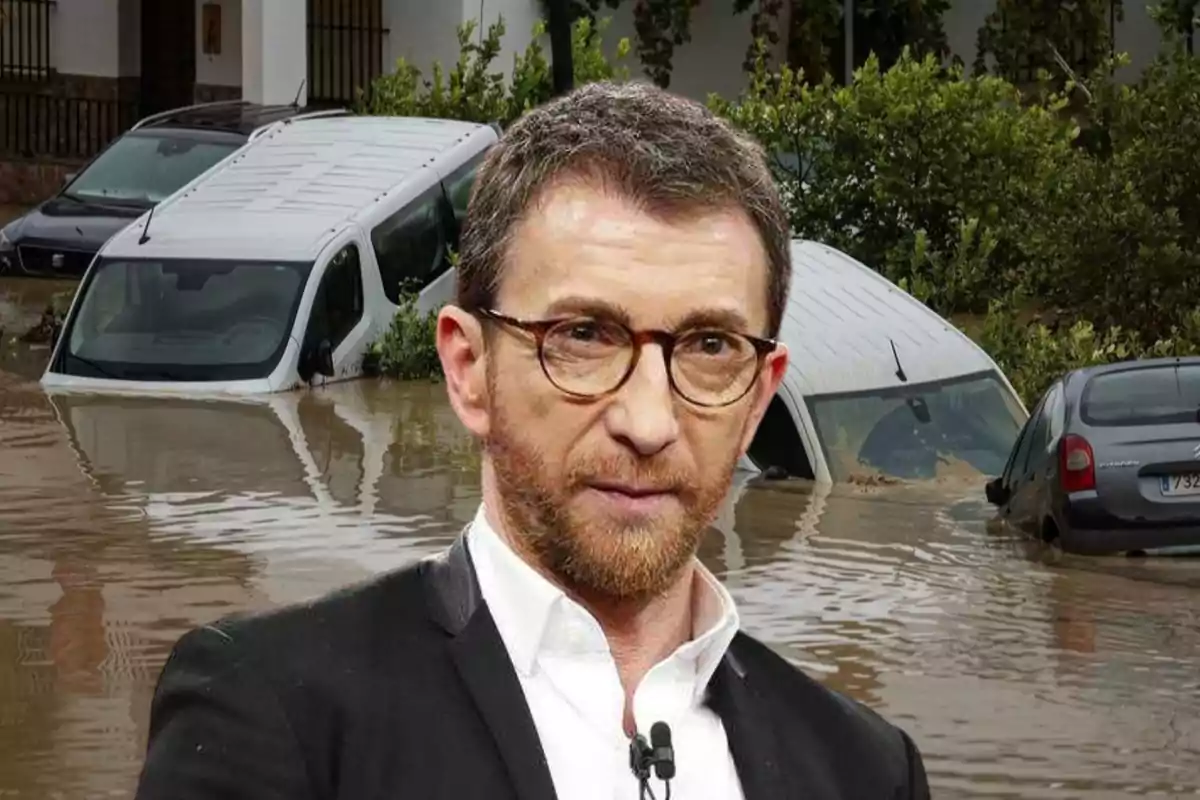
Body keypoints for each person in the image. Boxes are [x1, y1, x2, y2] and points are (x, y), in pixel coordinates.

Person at [133, 80, 931, 800]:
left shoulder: (866, 769)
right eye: (583, 334)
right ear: (469, 368)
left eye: (710, 347)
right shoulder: (276, 717)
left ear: (759, 395)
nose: (648, 423)